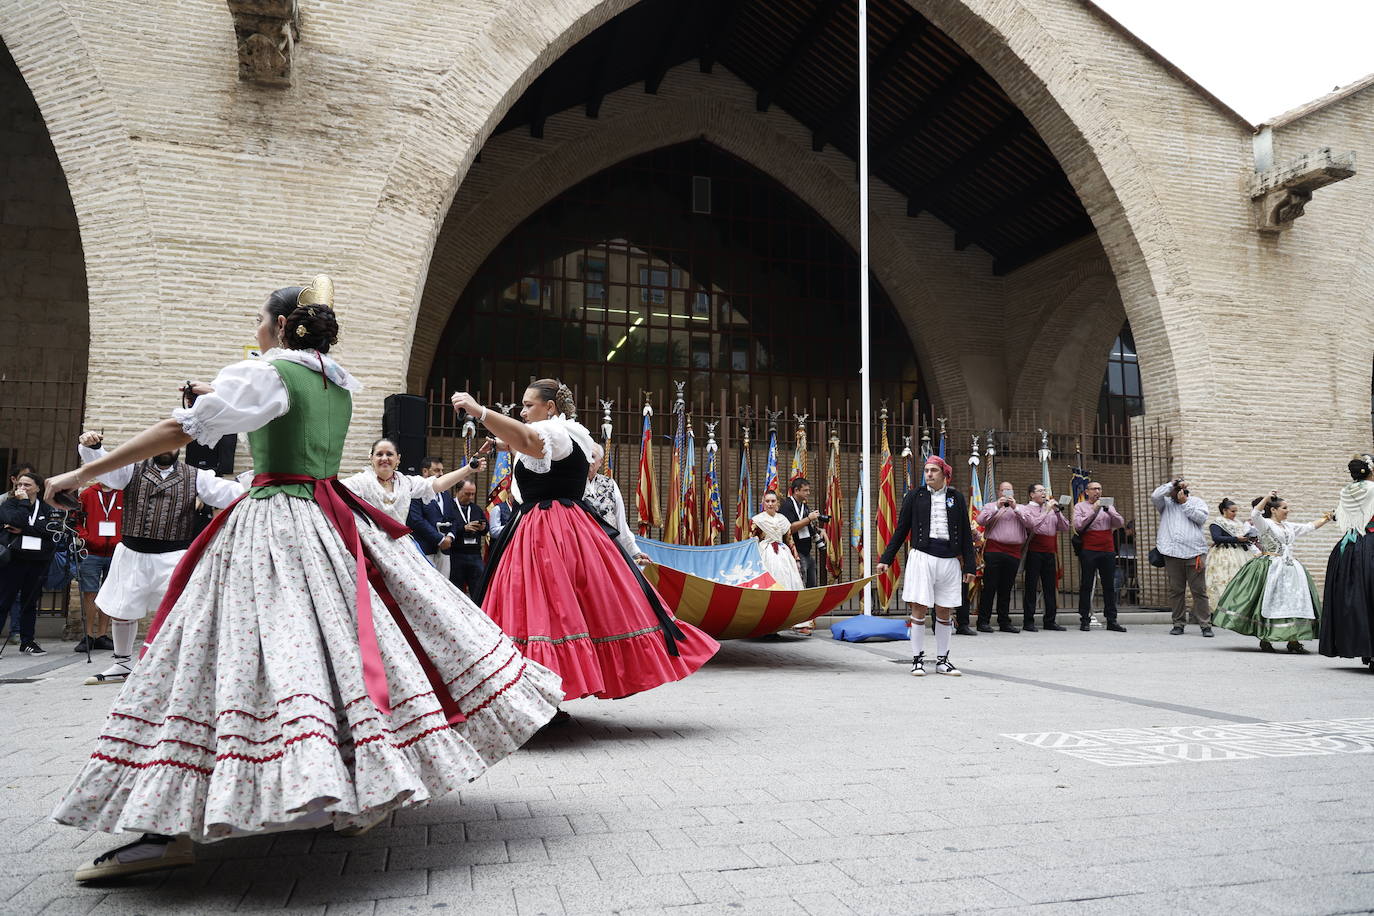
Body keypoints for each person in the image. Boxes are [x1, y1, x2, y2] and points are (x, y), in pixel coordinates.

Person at [45, 277, 561, 883]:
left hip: (271, 525)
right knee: (330, 650)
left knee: (211, 653)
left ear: (283, 326)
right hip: (321, 521)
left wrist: (84, 472)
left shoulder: (269, 373)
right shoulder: (331, 381)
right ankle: (359, 784)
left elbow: (177, 430)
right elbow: (264, 411)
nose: (256, 330)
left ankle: (167, 827)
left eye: (261, 320)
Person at [457, 381, 718, 703]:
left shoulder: (553, 433)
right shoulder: (572, 434)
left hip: (546, 531)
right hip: (568, 528)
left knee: (544, 611)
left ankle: (542, 694)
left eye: (528, 405)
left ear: (550, 407)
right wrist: (504, 445)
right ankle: (544, 692)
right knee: (566, 609)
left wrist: (479, 411)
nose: (523, 412)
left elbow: (530, 440)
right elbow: (531, 446)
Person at [74, 432, 243, 685]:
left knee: (178, 609)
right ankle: (122, 664)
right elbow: (106, 470)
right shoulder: (130, 470)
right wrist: (94, 448)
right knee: (123, 608)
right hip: (132, 552)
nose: (167, 448)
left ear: (180, 448)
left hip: (174, 554)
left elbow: (229, 493)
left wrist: (261, 482)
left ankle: (176, 664)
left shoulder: (196, 476)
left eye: (172, 444)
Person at [877, 456, 976, 677]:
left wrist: (970, 566)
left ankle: (943, 660)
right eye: (926, 470)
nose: (928, 474)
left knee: (944, 609)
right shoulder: (915, 496)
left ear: (944, 473)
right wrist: (886, 558)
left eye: (933, 470)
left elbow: (966, 534)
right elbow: (901, 529)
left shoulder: (956, 497)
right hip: (922, 557)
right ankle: (917, 659)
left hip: (949, 560)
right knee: (919, 608)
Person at [1214, 491, 1329, 652]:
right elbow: (1255, 513)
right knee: (1268, 601)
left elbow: (1310, 526)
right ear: (1274, 510)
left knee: (1294, 601)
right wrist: (1267, 497)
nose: (1288, 510)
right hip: (1270, 566)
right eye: (1284, 507)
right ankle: (1266, 638)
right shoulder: (1265, 524)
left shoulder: (1289, 526)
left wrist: (1327, 517)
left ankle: (1294, 641)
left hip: (1291, 569)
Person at [0, 470, 66, 655]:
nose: (22, 488)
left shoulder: (46, 508)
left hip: (37, 561)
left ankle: (27, 641)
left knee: (30, 603)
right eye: (19, 485)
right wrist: (22, 503)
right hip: (14, 560)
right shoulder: (11, 504)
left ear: (38, 488)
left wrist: (24, 529)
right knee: (4, 601)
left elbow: (51, 532)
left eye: (27, 485)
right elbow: (15, 520)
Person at [1320, 456, 1374, 666]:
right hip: (1369, 545)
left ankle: (1364, 649)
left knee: (1358, 598)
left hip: (1350, 548)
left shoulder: (1347, 491)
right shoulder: (1373, 489)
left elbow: (1339, 517)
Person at [1152, 477, 1214, 637]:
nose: (1171, 492)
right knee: (1176, 590)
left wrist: (1185, 503)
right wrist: (1171, 483)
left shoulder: (1196, 502)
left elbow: (1201, 518)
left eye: (1175, 489)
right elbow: (1155, 495)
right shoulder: (1166, 504)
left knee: (1199, 591)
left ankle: (1205, 625)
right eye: (1172, 489)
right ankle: (1178, 623)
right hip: (1172, 554)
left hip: (1195, 553)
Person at [72, 482, 122, 652]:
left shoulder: (123, 493)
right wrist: (85, 536)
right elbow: (75, 519)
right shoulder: (87, 493)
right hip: (91, 552)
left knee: (110, 593)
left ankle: (102, 635)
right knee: (89, 593)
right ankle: (88, 635)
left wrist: (123, 539)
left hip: (116, 552)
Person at [975, 481, 1030, 633]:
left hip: (1013, 552)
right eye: (1004, 490)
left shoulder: (1021, 508)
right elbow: (980, 520)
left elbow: (1031, 523)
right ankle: (983, 621)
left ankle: (1004, 622)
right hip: (994, 550)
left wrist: (1015, 508)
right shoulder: (990, 506)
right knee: (990, 587)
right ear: (999, 493)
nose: (1006, 494)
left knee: (1006, 588)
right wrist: (997, 507)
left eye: (1009, 491)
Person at [1074, 482, 1127, 632]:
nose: (1097, 491)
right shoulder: (1080, 507)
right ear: (1087, 492)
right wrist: (1094, 509)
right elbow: (1078, 525)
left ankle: (1111, 620)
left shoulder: (1108, 506)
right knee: (1086, 584)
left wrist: (1109, 510)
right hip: (1089, 549)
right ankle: (1085, 619)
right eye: (1094, 489)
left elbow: (1119, 523)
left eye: (1099, 489)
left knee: (1109, 586)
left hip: (1107, 549)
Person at [584, 443, 648, 563]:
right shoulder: (573, 484)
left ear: (601, 462)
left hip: (608, 547)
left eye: (593, 456)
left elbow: (620, 522)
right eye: (585, 456)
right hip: (584, 548)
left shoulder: (610, 484)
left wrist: (635, 552)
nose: (589, 460)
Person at [1020, 483, 1070, 631]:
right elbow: (1033, 526)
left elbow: (1066, 527)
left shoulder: (1051, 509)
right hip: (1034, 552)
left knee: (1050, 587)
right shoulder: (1026, 509)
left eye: (1044, 490)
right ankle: (1028, 621)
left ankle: (1050, 620)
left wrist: (1057, 512)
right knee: (1031, 587)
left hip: (1050, 553)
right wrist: (1046, 511)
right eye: (1040, 491)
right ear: (1031, 494)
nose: (1044, 493)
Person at [779, 478, 822, 634]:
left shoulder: (804, 505)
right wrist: (808, 519)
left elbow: (806, 526)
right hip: (794, 552)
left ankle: (809, 620)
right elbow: (789, 528)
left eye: (809, 490)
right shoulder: (787, 506)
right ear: (796, 490)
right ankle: (799, 624)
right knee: (800, 588)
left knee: (811, 587)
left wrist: (817, 531)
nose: (808, 493)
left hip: (806, 551)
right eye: (805, 490)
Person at [406, 455, 455, 577]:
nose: (441, 474)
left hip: (445, 550)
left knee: (444, 586)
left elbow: (453, 518)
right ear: (425, 471)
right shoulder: (416, 493)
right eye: (437, 470)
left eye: (442, 470)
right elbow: (416, 520)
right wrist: (439, 539)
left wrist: (450, 536)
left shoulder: (446, 494)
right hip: (425, 548)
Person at [1206, 498, 1257, 609]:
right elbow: (1217, 538)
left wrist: (1249, 538)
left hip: (1241, 554)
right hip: (1224, 555)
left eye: (1236, 511)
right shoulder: (1217, 523)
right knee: (1224, 580)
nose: (1235, 514)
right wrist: (1236, 539)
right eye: (1232, 511)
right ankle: (1220, 609)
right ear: (1224, 510)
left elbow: (1241, 536)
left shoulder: (1238, 523)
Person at [752, 491, 805, 590]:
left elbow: (790, 540)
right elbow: (751, 542)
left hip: (783, 554)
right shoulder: (757, 520)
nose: (770, 504)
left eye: (773, 501)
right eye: (767, 501)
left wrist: (796, 558)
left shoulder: (783, 519)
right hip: (764, 552)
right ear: (763, 503)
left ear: (777, 503)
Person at [449, 479, 489, 595]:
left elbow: (486, 529)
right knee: (456, 592)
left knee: (479, 591)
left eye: (473, 494)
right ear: (457, 491)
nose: (470, 497)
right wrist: (464, 528)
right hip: (456, 555)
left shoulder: (476, 509)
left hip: (475, 555)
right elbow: (445, 529)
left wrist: (483, 528)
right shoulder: (450, 507)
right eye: (467, 494)